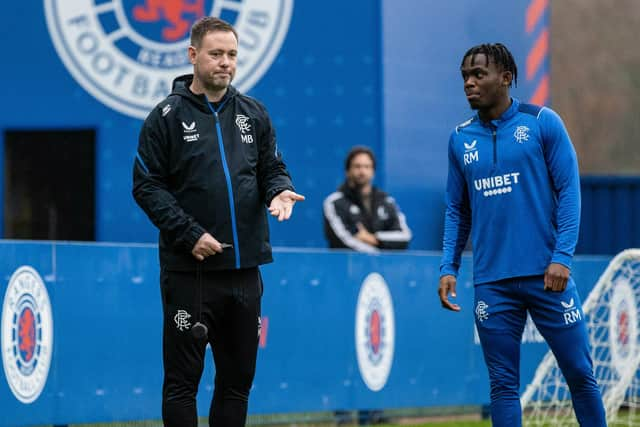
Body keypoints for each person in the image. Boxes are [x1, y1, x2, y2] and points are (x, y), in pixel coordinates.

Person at [132, 17, 304, 427]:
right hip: (190, 273)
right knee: (182, 383)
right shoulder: (166, 117)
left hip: (245, 275)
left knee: (236, 382)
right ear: (193, 56)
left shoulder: (253, 113)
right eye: (216, 54)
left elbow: (271, 168)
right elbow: (146, 186)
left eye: (232, 55)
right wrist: (190, 235)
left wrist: (278, 189)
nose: (225, 63)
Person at [438, 43, 606, 427]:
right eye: (465, 75)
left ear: (506, 77)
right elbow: (456, 209)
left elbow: (569, 192)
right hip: (492, 282)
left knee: (579, 373)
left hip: (547, 276)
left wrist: (562, 256)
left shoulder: (543, 123)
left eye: (478, 74)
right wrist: (448, 265)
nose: (469, 82)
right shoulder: (460, 140)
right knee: (502, 385)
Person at [323, 146, 412, 252]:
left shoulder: (386, 201)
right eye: (357, 166)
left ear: (373, 171)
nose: (362, 171)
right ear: (347, 171)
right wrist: (376, 253)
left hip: (384, 267)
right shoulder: (335, 202)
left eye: (367, 166)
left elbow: (405, 237)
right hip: (347, 266)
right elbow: (342, 240)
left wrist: (374, 238)